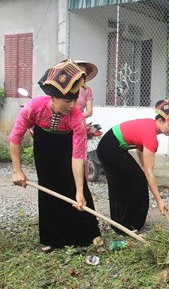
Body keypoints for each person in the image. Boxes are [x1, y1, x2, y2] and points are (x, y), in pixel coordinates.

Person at [9, 59, 101, 251]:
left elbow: (78, 157)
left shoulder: (77, 118)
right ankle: (52, 238)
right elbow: (15, 137)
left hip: (66, 143)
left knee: (75, 187)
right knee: (48, 185)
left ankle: (88, 234)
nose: (72, 105)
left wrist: (78, 191)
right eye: (68, 100)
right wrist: (17, 170)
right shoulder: (33, 108)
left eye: (75, 100)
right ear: (53, 97)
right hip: (44, 144)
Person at [96, 99, 169, 233]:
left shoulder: (150, 127)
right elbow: (149, 173)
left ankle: (127, 222)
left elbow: (140, 149)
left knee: (135, 180)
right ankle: (126, 225)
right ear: (160, 121)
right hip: (109, 148)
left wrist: (142, 169)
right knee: (133, 183)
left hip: (113, 147)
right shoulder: (151, 138)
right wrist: (159, 201)